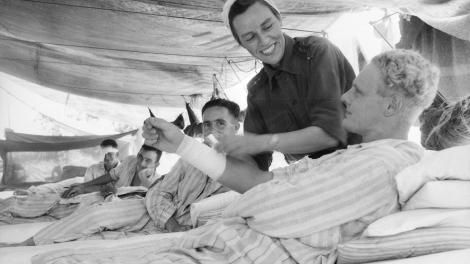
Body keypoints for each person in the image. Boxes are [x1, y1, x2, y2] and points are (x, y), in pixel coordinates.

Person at [121, 49, 438, 264]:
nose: (344, 97)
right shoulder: (359, 155)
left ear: (392, 107)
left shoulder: (382, 166)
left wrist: (239, 205)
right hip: (223, 244)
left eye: (358, 91)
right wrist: (182, 145)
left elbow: (272, 208)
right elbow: (264, 182)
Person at [3, 99, 253, 246]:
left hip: (189, 227)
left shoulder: (248, 169)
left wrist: (183, 228)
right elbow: (159, 193)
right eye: (207, 124)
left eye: (220, 123)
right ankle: (26, 244)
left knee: (101, 243)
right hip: (151, 210)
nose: (212, 130)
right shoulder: (192, 157)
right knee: (96, 216)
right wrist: (171, 222)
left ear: (236, 125)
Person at [216, 0, 357, 170]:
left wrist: (263, 142)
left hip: (358, 160)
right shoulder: (257, 91)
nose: (263, 40)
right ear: (241, 44)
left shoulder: (316, 52)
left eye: (267, 27)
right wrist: (226, 155)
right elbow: (255, 159)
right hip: (311, 176)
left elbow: (329, 134)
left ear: (279, 18)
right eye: (250, 37)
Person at [0, 145, 162, 224]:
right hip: (101, 195)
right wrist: (84, 187)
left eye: (148, 160)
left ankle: (22, 206)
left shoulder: (157, 185)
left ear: (157, 164)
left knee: (68, 206)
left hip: (110, 209)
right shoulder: (130, 161)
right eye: (141, 157)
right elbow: (110, 176)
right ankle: (18, 204)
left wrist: (110, 195)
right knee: (65, 195)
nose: (141, 163)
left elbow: (138, 210)